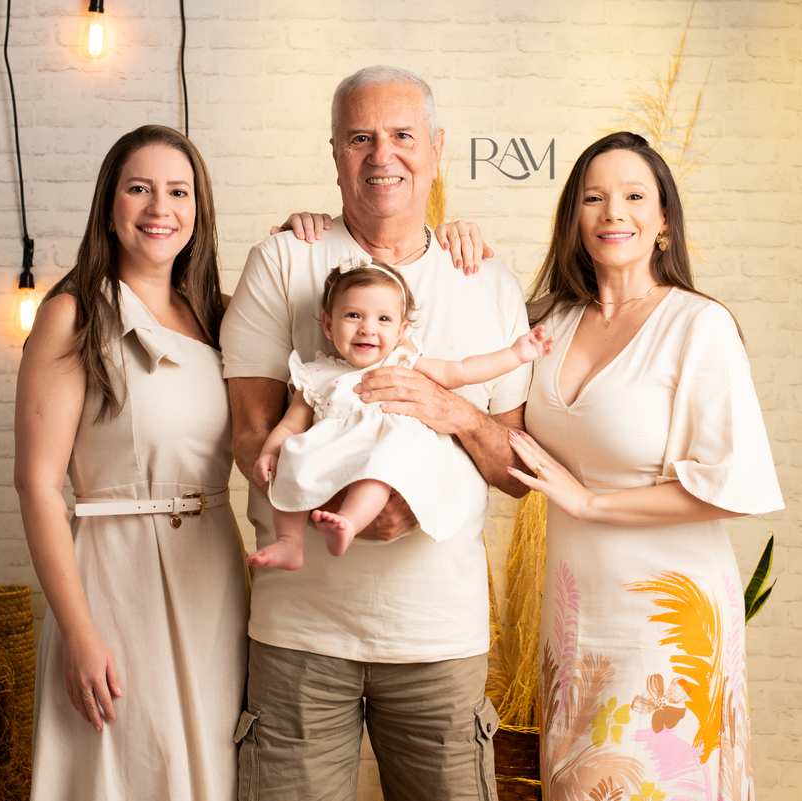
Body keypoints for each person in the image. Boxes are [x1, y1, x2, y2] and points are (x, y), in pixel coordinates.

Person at [220, 65, 532, 801]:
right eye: (360, 138)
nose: (381, 155)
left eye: (402, 136)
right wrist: (344, 499)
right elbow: (251, 431)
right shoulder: (284, 260)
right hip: (300, 633)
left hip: (439, 637)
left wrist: (453, 413)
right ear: (334, 152)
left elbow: (517, 469)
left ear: (437, 149)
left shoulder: (487, 282)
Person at [503, 132, 784, 800]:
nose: (613, 212)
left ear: (664, 221)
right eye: (593, 198)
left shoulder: (698, 324)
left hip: (668, 618)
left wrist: (590, 502)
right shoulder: (546, 324)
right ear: (573, 218)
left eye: (634, 196)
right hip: (576, 614)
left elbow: (734, 484)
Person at [14, 125, 248, 800]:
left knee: (210, 765)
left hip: (213, 575)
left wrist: (305, 232)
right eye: (139, 188)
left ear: (199, 208)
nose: (159, 208)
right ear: (109, 204)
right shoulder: (72, 314)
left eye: (178, 192)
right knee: (128, 764)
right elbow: (36, 485)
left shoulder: (220, 316)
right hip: (115, 582)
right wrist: (79, 631)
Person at [250, 260, 553, 569]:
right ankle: (289, 542)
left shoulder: (403, 361)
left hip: (382, 448)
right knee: (294, 459)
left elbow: (461, 371)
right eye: (353, 315)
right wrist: (270, 453)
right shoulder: (315, 375)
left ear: (401, 332)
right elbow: (290, 425)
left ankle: (348, 522)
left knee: (380, 469)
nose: (367, 328)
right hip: (330, 451)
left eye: (383, 319)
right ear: (328, 325)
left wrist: (515, 354)